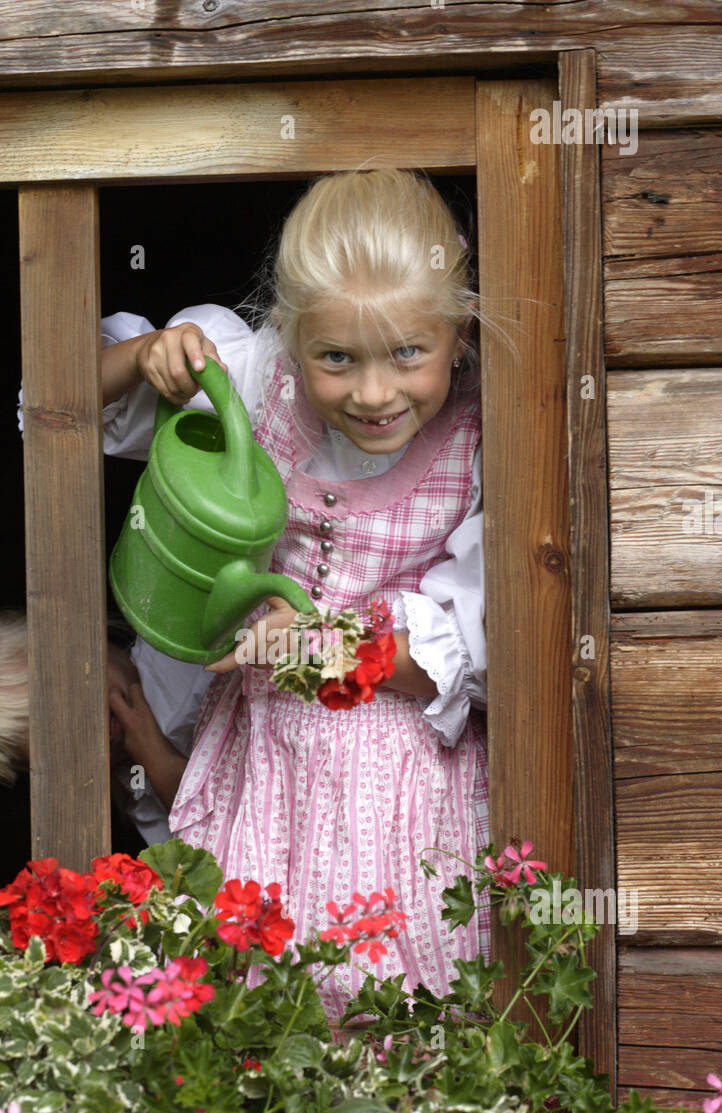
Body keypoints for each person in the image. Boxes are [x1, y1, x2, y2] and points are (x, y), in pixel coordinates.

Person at [99, 168, 492, 1022]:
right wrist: (145, 356)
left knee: (388, 990)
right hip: (266, 757)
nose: (375, 391)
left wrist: (321, 646)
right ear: (290, 335)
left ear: (458, 329)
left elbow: (468, 648)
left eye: (408, 354)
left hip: (400, 774)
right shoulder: (253, 375)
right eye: (337, 358)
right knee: (254, 995)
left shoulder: (486, 435)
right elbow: (62, 405)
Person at [0, 608, 212, 845]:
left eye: (77, 692)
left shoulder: (184, 649)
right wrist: (159, 766)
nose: (93, 729)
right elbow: (227, 862)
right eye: (58, 746)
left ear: (89, 635)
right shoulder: (141, 798)